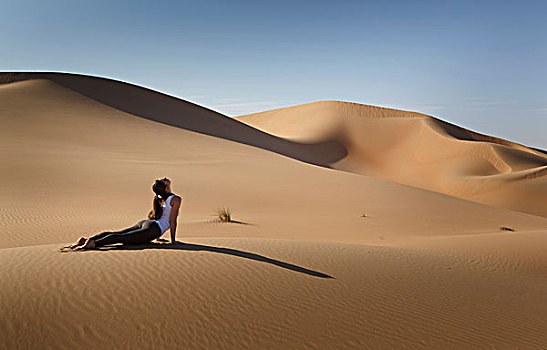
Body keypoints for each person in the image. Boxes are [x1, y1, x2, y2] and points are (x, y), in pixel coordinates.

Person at [68, 177, 182, 250]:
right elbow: (172, 222)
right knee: (121, 238)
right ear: (166, 188)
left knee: (119, 234)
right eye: (163, 181)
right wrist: (173, 241)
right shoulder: (175, 199)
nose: (164, 178)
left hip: (147, 224)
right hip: (153, 228)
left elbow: (160, 216)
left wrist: (157, 238)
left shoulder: (159, 197)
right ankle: (92, 244)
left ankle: (86, 240)